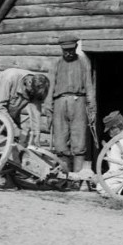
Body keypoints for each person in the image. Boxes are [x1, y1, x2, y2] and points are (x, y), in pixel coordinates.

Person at [44, 34, 96, 174]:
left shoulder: (84, 62)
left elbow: (89, 86)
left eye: (71, 50)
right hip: (60, 102)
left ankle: (78, 177)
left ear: (76, 47)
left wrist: (92, 107)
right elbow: (50, 87)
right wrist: (48, 107)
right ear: (61, 49)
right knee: (60, 141)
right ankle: (65, 175)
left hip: (79, 102)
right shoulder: (56, 64)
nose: (68, 53)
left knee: (79, 141)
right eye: (65, 50)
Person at [0, 68, 50, 146]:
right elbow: (0, 107)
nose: (31, 95)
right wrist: (15, 130)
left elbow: (35, 112)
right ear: (29, 82)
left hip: (13, 109)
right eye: (31, 92)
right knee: (1, 138)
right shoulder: (10, 78)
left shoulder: (37, 86)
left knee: (17, 140)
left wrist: (36, 134)